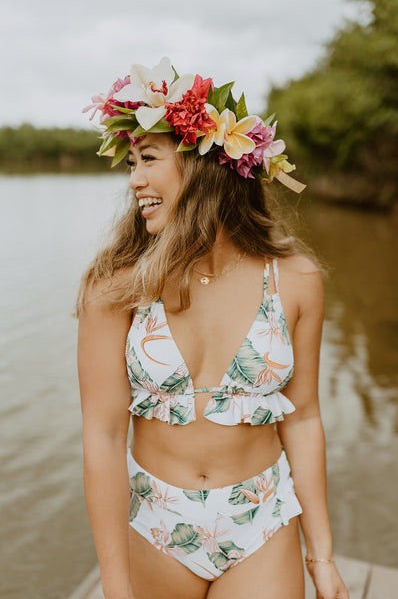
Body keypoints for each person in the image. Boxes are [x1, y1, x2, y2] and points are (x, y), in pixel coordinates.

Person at [77, 57, 349, 599]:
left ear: (203, 165)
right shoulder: (115, 289)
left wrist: (321, 557)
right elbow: (103, 437)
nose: (135, 180)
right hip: (155, 522)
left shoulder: (295, 280)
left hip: (262, 521)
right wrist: (115, 584)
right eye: (130, 163)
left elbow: (304, 419)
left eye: (148, 159)